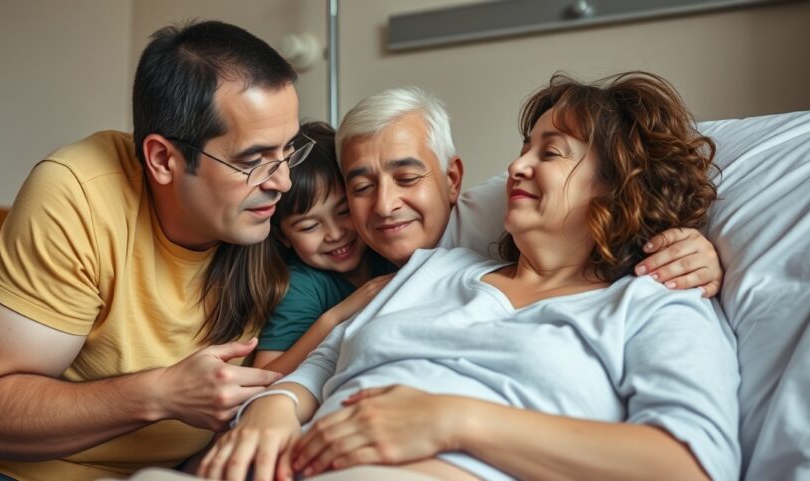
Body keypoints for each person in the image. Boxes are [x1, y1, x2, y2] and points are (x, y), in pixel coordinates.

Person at [197, 71, 740, 481]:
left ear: (617, 181)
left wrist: (455, 422)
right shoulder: (434, 268)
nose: (516, 166)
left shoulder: (657, 302)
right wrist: (275, 406)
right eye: (524, 148)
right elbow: (321, 363)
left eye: (549, 152)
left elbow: (693, 464)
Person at [0, 21, 303, 481]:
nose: (282, 182)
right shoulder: (79, 192)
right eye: (252, 162)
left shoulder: (282, 210)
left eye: (289, 150)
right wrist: (160, 393)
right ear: (162, 159)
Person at [336, 85, 724, 295]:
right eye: (362, 187)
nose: (384, 205)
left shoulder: (506, 209)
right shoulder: (334, 245)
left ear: (452, 180)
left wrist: (692, 248)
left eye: (407, 179)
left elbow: (611, 205)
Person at [253, 122, 396, 374]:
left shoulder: (387, 248)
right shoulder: (301, 286)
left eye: (343, 212)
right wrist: (335, 317)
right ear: (282, 235)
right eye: (309, 226)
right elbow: (265, 373)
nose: (335, 234)